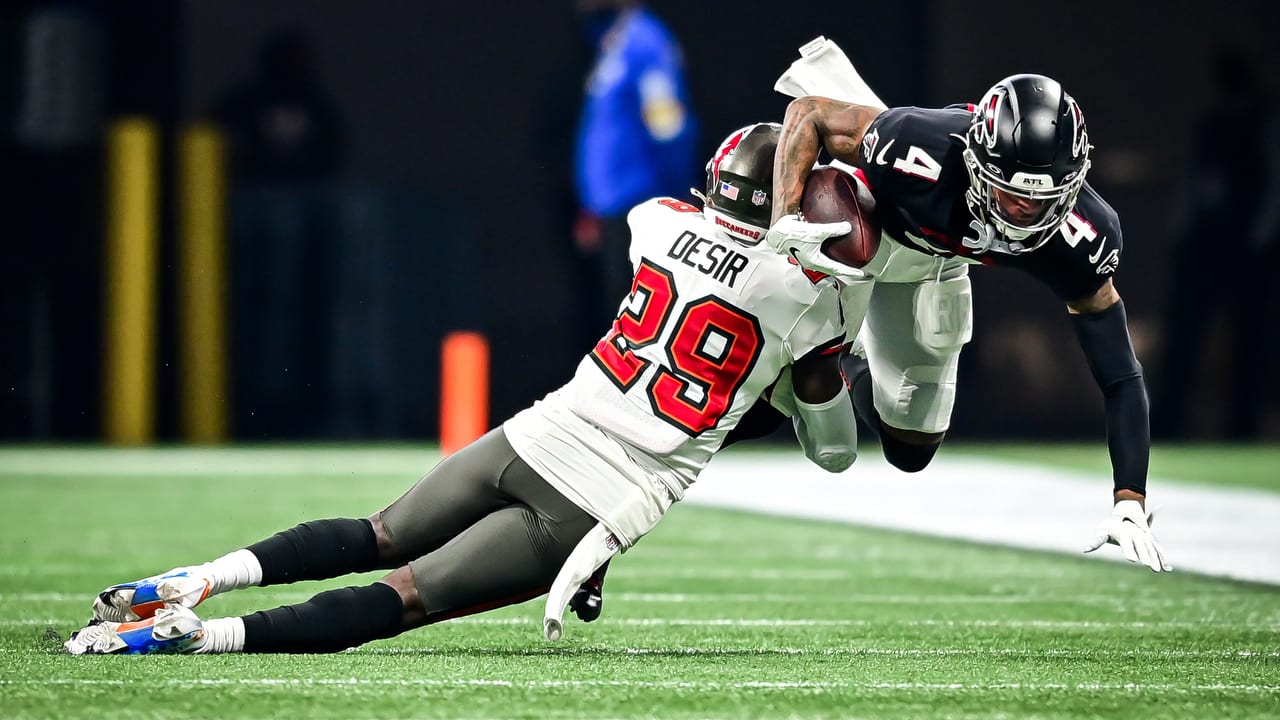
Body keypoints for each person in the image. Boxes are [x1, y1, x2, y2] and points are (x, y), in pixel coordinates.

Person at [63, 123, 860, 655]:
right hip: (598, 495)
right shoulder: (806, 301)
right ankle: (202, 638)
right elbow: (831, 452)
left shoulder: (656, 223)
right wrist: (831, 363)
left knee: (377, 532)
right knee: (406, 595)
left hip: (539, 432)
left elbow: (698, 252)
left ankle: (195, 580)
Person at [758, 39, 1171, 574]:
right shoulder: (915, 147)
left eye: (1044, 198)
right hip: (871, 228)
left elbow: (1120, 375)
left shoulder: (1084, 236)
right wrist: (784, 221)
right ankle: (807, 351)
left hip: (938, 263)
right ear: (978, 165)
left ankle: (854, 359)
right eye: (1012, 193)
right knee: (829, 448)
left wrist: (1129, 503)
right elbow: (807, 112)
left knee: (911, 450)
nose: (1025, 212)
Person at [1152, 48, 1279, 439]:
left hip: (1245, 247)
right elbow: (1192, 181)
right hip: (1204, 245)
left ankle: (1242, 424)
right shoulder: (1210, 125)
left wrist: (1260, 234)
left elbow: (1274, 182)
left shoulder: (1263, 123)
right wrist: (1179, 228)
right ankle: (1168, 422)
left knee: (1248, 340)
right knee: (1185, 334)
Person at [572, 0, 699, 349]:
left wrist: (675, 197)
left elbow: (668, 125)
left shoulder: (646, 42)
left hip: (638, 207)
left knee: (637, 328)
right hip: (612, 208)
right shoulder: (616, 39)